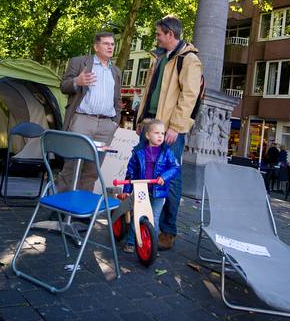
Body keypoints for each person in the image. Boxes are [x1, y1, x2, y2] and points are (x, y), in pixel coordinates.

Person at [135, 15, 202, 250]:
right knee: (143, 173)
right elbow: (149, 91)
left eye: (159, 34)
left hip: (170, 129)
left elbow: (190, 96)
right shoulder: (160, 58)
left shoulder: (189, 60)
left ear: (170, 35)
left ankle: (168, 231)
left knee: (170, 179)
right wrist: (140, 120)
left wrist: (176, 127)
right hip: (150, 125)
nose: (157, 37)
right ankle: (144, 221)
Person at [58, 31, 122, 192]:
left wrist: (115, 123)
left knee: (92, 170)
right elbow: (63, 86)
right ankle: (61, 206)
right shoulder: (79, 62)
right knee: (72, 166)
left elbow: (117, 100)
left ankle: (81, 209)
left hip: (106, 126)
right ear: (96, 46)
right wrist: (76, 81)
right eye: (106, 44)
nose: (110, 47)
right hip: (82, 121)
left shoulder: (116, 71)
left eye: (112, 44)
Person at [118, 119, 180, 253]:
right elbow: (131, 172)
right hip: (142, 190)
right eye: (156, 133)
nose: (160, 136)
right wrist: (127, 191)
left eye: (162, 133)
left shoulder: (167, 151)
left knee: (154, 217)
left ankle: (152, 245)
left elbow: (175, 167)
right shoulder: (139, 151)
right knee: (138, 215)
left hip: (159, 191)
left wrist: (164, 177)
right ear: (147, 135)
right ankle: (131, 241)